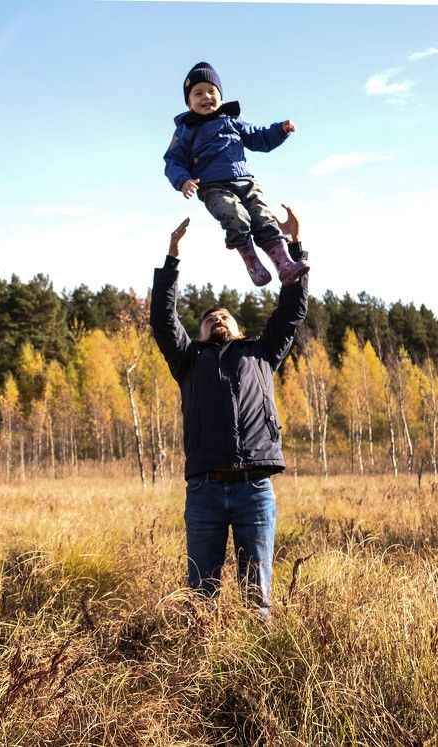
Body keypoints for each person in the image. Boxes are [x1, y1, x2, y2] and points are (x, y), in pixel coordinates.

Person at [149, 207, 309, 620]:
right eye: (207, 318)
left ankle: (257, 677)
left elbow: (291, 311)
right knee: (201, 599)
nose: (216, 317)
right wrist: (172, 258)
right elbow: (164, 322)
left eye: (223, 315)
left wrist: (293, 245)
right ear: (199, 333)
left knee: (258, 601)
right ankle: (199, 676)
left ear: (237, 328)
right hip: (203, 491)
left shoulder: (261, 352)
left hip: (254, 489)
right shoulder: (187, 360)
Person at [163, 61, 310, 288]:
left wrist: (279, 131)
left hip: (245, 181)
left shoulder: (232, 119)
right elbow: (172, 160)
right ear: (188, 102)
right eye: (198, 93)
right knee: (235, 214)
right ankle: (252, 262)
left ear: (220, 96)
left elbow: (257, 136)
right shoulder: (186, 129)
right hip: (214, 187)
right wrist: (183, 181)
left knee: (264, 219)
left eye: (211, 91)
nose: (206, 97)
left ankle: (284, 264)